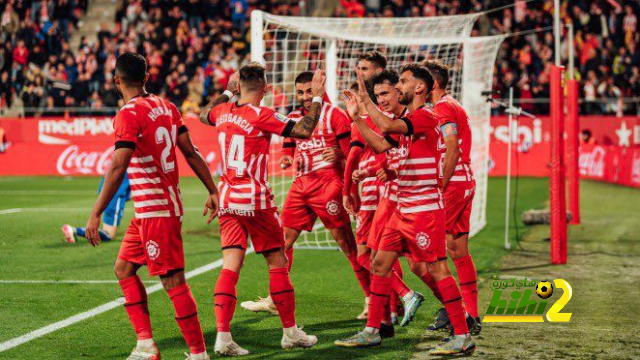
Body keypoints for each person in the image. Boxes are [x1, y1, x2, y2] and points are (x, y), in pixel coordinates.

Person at [83, 52, 219, 360]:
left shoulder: (128, 114)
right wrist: (213, 189)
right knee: (123, 268)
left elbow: (118, 166)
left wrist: (96, 212)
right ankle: (145, 345)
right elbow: (191, 151)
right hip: (151, 211)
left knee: (173, 281)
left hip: (157, 211)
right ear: (146, 78)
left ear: (116, 80)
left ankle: (198, 354)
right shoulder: (167, 107)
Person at [335, 64, 476, 356]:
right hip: (403, 208)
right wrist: (357, 118)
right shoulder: (410, 119)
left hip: (425, 209)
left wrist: (365, 101)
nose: (399, 85)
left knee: (437, 268)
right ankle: (372, 331)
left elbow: (386, 127)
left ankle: (462, 334)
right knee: (380, 263)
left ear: (420, 88)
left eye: (404, 81)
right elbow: (379, 143)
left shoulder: (427, 115)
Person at [200, 63, 321, 356]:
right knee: (277, 262)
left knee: (230, 267)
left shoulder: (223, 112)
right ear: (265, 90)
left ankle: (223, 337)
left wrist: (228, 92)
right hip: (255, 199)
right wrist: (316, 98)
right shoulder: (263, 114)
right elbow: (304, 129)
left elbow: (203, 114)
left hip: (227, 197)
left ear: (239, 86)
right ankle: (291, 333)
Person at [239, 70, 369, 319]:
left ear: (319, 89)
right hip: (301, 186)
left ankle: (371, 299)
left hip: (328, 184)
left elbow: (353, 152)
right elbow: (290, 143)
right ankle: (276, 299)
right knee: (282, 242)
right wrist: (288, 157)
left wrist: (340, 155)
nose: (305, 96)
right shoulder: (295, 117)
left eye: (310, 91)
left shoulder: (336, 116)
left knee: (347, 244)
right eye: (300, 92)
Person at [344, 74, 423, 330]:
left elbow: (360, 153)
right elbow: (382, 149)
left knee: (370, 257)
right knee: (382, 260)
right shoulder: (393, 121)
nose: (381, 99)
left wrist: (349, 189)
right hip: (388, 193)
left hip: (389, 197)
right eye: (376, 95)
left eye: (384, 93)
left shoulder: (405, 120)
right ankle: (383, 320)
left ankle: (406, 300)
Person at [423, 60, 482, 335]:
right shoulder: (453, 104)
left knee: (430, 252)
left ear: (432, 84)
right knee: (458, 251)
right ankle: (472, 312)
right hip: (465, 180)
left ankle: (453, 310)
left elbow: (452, 148)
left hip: (453, 183)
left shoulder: (443, 108)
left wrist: (440, 185)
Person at [62, 174, 130, 244]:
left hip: (107, 186)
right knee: (109, 234)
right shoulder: (131, 168)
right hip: (116, 192)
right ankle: (74, 230)